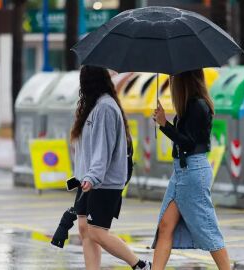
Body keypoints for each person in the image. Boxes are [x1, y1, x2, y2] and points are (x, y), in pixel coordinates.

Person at [71, 65, 151, 270]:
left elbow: (102, 148)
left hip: (103, 180)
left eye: (84, 78)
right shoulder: (91, 106)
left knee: (97, 231)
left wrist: (92, 176)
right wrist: (81, 176)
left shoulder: (106, 107)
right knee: (84, 229)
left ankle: (141, 265)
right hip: (88, 178)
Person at [152, 69, 231, 270]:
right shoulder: (188, 106)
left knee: (207, 228)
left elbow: (189, 143)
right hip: (181, 172)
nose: (170, 82)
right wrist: (166, 123)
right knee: (165, 227)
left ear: (183, 80)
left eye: (173, 78)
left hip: (193, 171)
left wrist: (164, 125)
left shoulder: (198, 106)